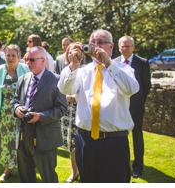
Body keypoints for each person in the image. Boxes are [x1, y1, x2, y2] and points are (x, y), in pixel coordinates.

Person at [58, 29, 139, 183]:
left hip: (114, 142)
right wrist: (73, 65)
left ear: (111, 46)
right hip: (85, 139)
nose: (95, 46)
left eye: (100, 42)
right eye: (92, 42)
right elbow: (64, 88)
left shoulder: (124, 69)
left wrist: (108, 63)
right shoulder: (82, 71)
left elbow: (131, 89)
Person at [11, 46, 67, 183]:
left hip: (45, 136)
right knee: (25, 177)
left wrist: (41, 116)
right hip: (24, 135)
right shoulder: (23, 78)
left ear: (43, 60)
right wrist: (17, 108)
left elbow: (61, 108)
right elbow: (15, 100)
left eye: (32, 60)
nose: (28, 63)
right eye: (26, 59)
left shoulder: (56, 80)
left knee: (48, 177)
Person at [0, 44, 30, 182]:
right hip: (4, 115)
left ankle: (23, 169)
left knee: (22, 142)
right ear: (4, 56)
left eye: (14, 55)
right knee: (7, 143)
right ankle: (7, 170)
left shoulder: (25, 69)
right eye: (8, 55)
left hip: (21, 113)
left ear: (19, 57)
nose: (11, 58)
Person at [114, 36, 151, 178]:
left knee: (137, 137)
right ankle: (120, 164)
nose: (125, 48)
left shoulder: (142, 63)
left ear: (133, 47)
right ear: (118, 48)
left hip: (135, 107)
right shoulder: (114, 63)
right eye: (122, 46)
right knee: (118, 137)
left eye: (128, 46)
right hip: (118, 106)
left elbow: (146, 86)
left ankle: (137, 166)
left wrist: (139, 101)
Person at [60, 47, 84, 183]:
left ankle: (84, 170)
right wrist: (66, 97)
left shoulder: (86, 69)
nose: (71, 55)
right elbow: (59, 91)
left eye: (75, 52)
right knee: (71, 144)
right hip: (68, 110)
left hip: (81, 109)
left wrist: (75, 96)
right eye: (69, 52)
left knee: (81, 142)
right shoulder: (65, 70)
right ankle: (74, 172)